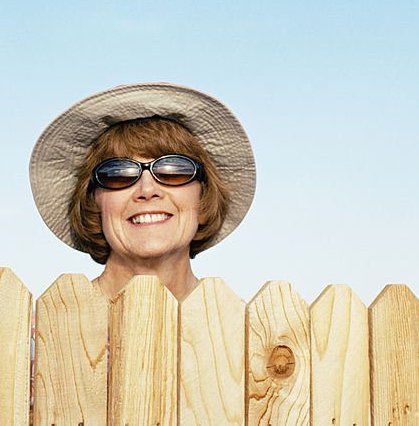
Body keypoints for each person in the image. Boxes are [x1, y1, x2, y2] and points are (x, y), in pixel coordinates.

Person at [29, 83, 255, 300]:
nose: (147, 190)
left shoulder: (249, 332)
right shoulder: (40, 332)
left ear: (204, 198)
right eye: (118, 174)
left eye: (174, 170)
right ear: (93, 203)